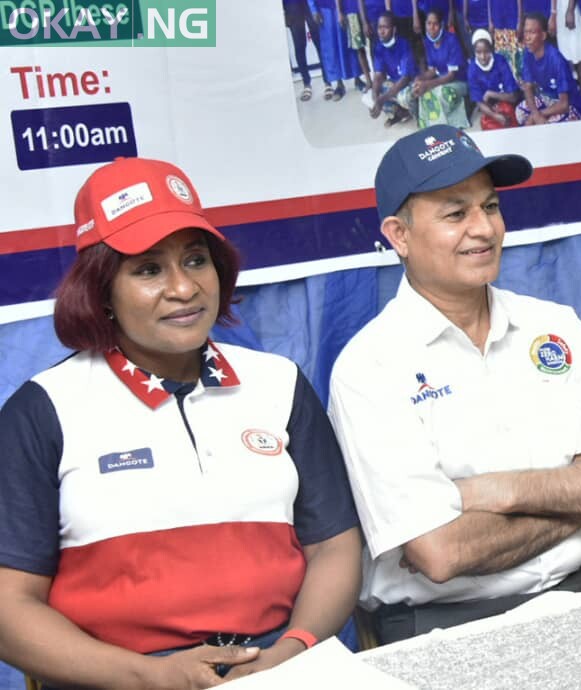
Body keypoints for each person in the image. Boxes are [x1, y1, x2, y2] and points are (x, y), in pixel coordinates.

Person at [0, 158, 363, 689]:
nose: (184, 288)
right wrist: (151, 677)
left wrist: (291, 652)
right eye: (148, 269)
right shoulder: (44, 409)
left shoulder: (279, 383)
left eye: (196, 260)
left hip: (280, 669)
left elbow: (334, 545)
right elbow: (9, 607)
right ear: (101, 290)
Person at [328, 125, 581, 644]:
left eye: (491, 206)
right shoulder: (370, 366)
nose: (483, 229)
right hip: (451, 625)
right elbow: (441, 554)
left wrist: (500, 492)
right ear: (398, 235)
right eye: (456, 213)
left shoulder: (555, 326)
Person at [516, 12, 581, 125]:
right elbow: (527, 87)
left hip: (568, 105)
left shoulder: (556, 59)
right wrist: (535, 114)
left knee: (549, 125)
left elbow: (564, 104)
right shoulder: (528, 53)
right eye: (525, 32)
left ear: (543, 36)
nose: (527, 37)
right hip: (547, 99)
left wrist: (539, 115)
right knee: (520, 111)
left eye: (532, 32)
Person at [414, 9, 470, 128]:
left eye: (435, 24)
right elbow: (433, 70)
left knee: (442, 94)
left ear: (441, 25)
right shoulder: (428, 41)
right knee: (422, 90)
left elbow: (451, 75)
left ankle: (448, 126)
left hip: (459, 81)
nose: (431, 27)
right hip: (441, 79)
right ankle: (429, 127)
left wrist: (429, 84)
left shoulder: (451, 40)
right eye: (428, 23)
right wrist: (420, 79)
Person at [370, 11, 419, 127]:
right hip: (395, 83)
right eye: (379, 27)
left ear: (394, 29)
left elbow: (405, 79)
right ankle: (401, 114)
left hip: (410, 83)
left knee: (404, 97)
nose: (381, 31)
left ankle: (418, 114)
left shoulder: (404, 44)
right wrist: (375, 96)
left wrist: (382, 99)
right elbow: (378, 75)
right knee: (372, 93)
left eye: (385, 27)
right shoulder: (379, 47)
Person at [467, 28, 521, 129]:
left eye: (486, 52)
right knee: (486, 123)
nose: (483, 57)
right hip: (489, 108)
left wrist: (491, 94)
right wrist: (495, 116)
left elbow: (513, 97)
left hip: (508, 104)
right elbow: (479, 102)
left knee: (509, 114)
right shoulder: (472, 69)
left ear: (491, 50)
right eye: (478, 52)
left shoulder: (500, 61)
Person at [310, 0, 361, 100]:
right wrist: (313, 9)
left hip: (345, 5)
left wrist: (340, 10)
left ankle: (357, 78)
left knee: (349, 42)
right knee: (331, 47)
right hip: (325, 9)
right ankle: (339, 84)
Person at [284, 0, 327, 102]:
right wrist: (284, 11)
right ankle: (306, 84)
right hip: (291, 5)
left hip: (309, 3)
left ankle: (327, 81)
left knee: (319, 42)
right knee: (299, 45)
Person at [339, 0, 376, 93]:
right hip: (351, 11)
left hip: (369, 9)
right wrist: (339, 11)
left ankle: (378, 78)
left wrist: (364, 21)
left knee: (375, 46)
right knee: (359, 49)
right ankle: (368, 81)